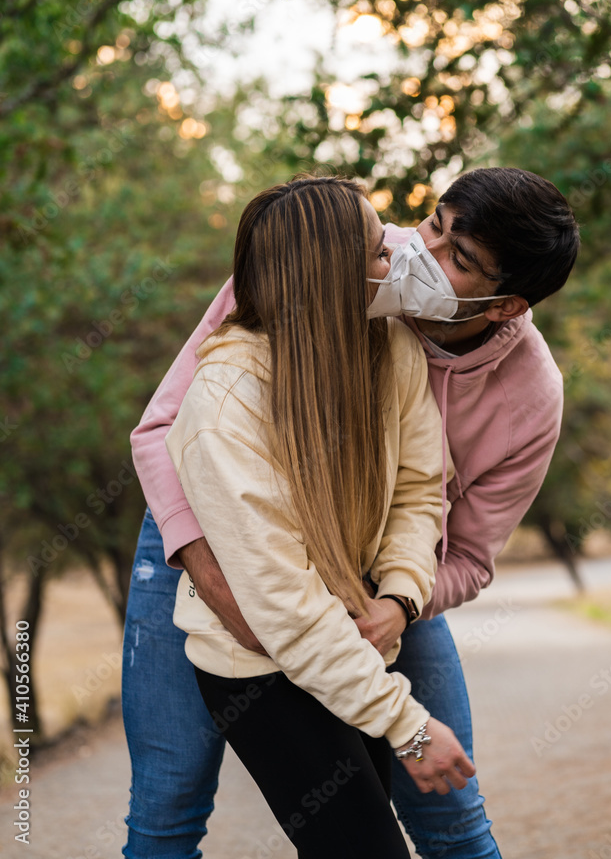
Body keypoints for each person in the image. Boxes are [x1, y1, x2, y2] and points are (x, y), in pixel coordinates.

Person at [123, 166, 580, 859]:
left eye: (458, 258)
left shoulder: (525, 397)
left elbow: (456, 543)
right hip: (209, 535)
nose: (415, 253)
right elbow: (161, 431)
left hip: (377, 578)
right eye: (433, 223)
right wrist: (220, 581)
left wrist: (396, 602)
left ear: (506, 305)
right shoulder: (323, 250)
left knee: (450, 813)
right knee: (169, 801)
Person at [163, 175, 473, 858]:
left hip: (357, 642)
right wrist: (408, 725)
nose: (394, 261)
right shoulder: (223, 403)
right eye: (375, 253)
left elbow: (419, 489)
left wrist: (398, 591)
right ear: (328, 276)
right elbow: (283, 606)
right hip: (259, 664)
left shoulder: (388, 345)